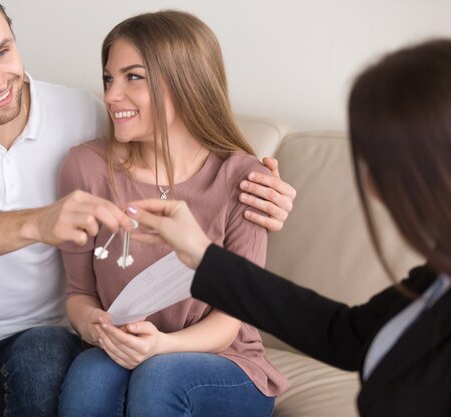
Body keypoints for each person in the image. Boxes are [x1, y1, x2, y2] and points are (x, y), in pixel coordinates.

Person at [0, 1, 296, 417]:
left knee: (53, 360)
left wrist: (269, 191)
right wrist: (40, 222)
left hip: (39, 340)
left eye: (2, 52)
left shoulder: (84, 113)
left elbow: (179, 140)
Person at [127, 38, 451, 417]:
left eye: (378, 164)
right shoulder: (436, 280)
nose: (372, 189)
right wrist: (202, 255)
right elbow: (343, 335)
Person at [58, 11, 289, 417]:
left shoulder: (244, 179)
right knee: (90, 375)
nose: (111, 95)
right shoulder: (85, 167)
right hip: (121, 350)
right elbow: (79, 294)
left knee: (160, 375)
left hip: (224, 360)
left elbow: (229, 321)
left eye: (134, 77)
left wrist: (161, 346)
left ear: (185, 82)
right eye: (110, 78)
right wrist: (96, 326)